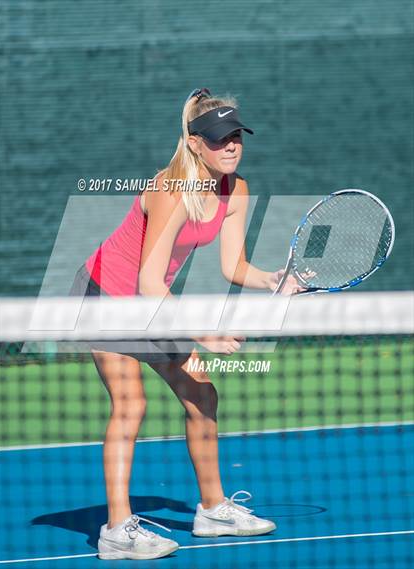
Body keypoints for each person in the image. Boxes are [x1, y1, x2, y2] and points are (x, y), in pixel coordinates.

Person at [70, 88, 304, 560]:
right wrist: (204, 332)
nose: (232, 146)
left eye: (236, 135)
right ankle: (116, 529)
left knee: (202, 393)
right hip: (107, 295)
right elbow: (149, 280)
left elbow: (234, 266)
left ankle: (213, 510)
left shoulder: (235, 189)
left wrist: (274, 279)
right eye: (219, 139)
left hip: (148, 299)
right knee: (131, 404)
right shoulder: (171, 192)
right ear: (194, 143)